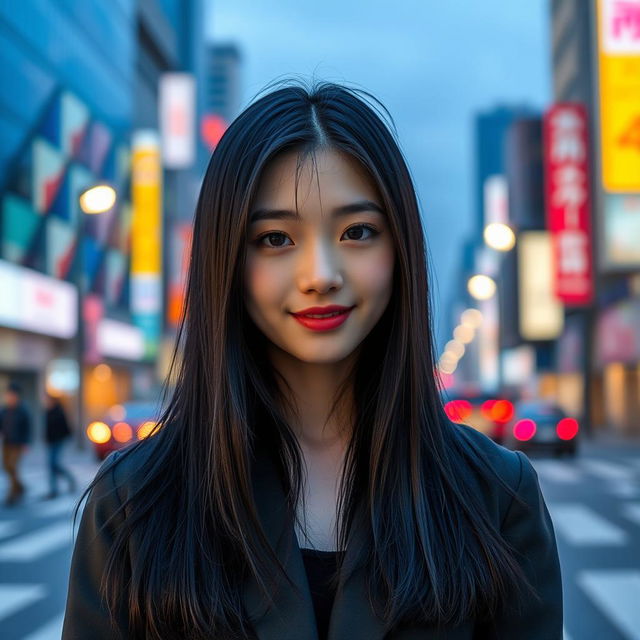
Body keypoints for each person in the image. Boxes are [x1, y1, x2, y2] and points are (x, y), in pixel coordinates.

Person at [63, 81, 563, 639]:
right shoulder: (135, 500)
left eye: (357, 232)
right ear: (225, 260)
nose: (321, 273)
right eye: (276, 238)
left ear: (400, 250)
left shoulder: (496, 495)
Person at [0, 382, 31, 506]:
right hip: (7, 443)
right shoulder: (4, 409)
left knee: (13, 466)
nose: (10, 397)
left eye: (12, 395)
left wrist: (25, 443)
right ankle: (20, 487)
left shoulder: (23, 410)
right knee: (6, 467)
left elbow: (27, 428)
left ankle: (13, 495)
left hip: (18, 444)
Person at [41, 393, 76, 500]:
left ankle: (55, 489)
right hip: (51, 442)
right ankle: (57, 487)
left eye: (48, 400)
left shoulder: (59, 411)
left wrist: (61, 437)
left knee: (53, 464)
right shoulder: (47, 412)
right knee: (52, 465)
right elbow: (47, 428)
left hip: (58, 441)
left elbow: (66, 427)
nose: (46, 402)